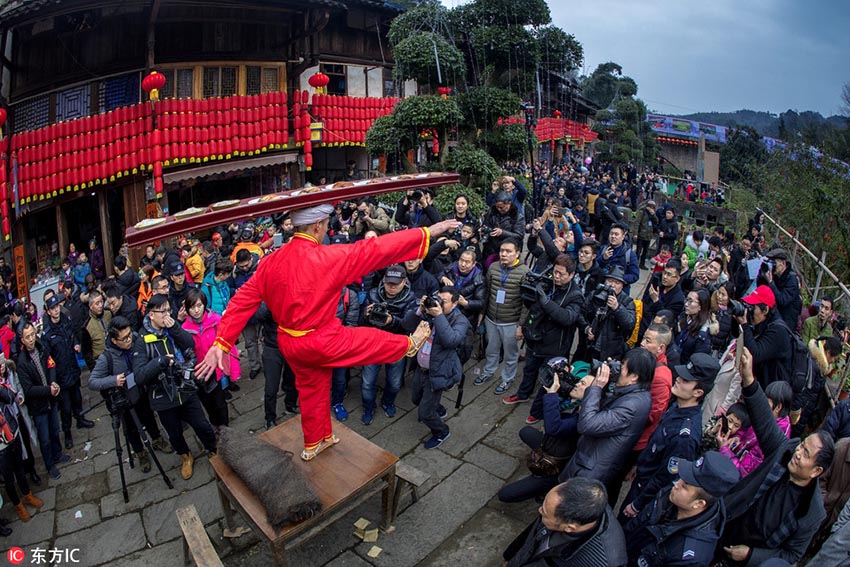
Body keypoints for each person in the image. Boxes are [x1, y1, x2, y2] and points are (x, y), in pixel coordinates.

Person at [196, 205, 456, 459]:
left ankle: (315, 441)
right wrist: (426, 233)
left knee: (312, 390)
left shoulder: (269, 261)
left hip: (288, 342)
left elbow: (242, 300)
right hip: (320, 340)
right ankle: (407, 345)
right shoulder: (326, 258)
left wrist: (221, 341)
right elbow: (375, 249)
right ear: (318, 226)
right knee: (365, 339)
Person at [718, 347, 834, 566]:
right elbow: (764, 422)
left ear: (817, 470)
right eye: (802, 446)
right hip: (726, 523)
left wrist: (751, 555)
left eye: (806, 454)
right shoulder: (784, 451)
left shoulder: (811, 511)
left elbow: (791, 555)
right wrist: (750, 380)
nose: (798, 453)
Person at [621, 353, 719, 520]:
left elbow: (666, 477)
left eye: (686, 381)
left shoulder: (685, 436)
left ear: (698, 392)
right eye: (681, 376)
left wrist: (638, 504)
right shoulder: (677, 406)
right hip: (641, 479)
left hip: (645, 495)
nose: (679, 380)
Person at [132, 294, 216, 480]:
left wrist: (175, 327)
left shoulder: (172, 328)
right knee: (175, 434)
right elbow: (139, 376)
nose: (167, 314)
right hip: (163, 397)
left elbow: (189, 344)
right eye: (163, 311)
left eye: (169, 310)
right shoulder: (142, 339)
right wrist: (160, 362)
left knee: (202, 425)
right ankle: (186, 457)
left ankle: (212, 449)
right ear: (151, 315)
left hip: (184, 388)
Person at [559, 349, 654, 499]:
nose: (617, 368)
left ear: (634, 377)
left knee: (566, 506)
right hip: (589, 458)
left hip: (590, 470)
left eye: (622, 366)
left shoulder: (632, 405)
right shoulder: (635, 393)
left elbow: (588, 424)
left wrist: (596, 386)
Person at [623, 451, 741, 567]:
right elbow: (638, 522)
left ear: (698, 504)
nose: (676, 484)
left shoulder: (691, 558)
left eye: (684, 486)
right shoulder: (675, 494)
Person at [501, 364, 592, 503]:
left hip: (555, 464)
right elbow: (537, 413)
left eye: (582, 384)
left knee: (505, 495)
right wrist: (548, 389)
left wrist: (552, 395)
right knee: (526, 431)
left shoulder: (582, 418)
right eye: (579, 381)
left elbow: (553, 427)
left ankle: (547, 488)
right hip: (550, 443)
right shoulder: (574, 403)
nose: (577, 384)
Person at [504, 254, 583, 404]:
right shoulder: (548, 282)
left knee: (549, 378)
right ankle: (523, 394)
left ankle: (540, 408)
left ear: (572, 274)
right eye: (555, 272)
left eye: (561, 274)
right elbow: (532, 307)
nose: (556, 276)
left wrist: (545, 301)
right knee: (529, 369)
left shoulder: (575, 295)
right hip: (536, 337)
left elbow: (567, 318)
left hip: (555, 344)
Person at [502, 478, 626, 567]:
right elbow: (531, 534)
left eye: (544, 513)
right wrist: (510, 557)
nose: (539, 511)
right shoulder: (579, 503)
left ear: (569, 528)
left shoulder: (605, 561)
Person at [360, 264, 420, 424]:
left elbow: (409, 324)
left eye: (396, 283)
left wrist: (391, 320)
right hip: (373, 344)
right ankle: (369, 407)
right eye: (389, 283)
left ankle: (388, 402)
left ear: (405, 281)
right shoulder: (373, 294)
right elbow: (361, 321)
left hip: (396, 345)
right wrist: (366, 314)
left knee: (394, 383)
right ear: (384, 280)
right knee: (367, 383)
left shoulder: (411, 299)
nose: (392, 287)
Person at [411, 287, 469, 449]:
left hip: (438, 372)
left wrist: (439, 316)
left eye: (443, 302)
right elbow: (406, 325)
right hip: (420, 368)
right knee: (415, 398)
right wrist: (420, 310)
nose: (438, 304)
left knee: (425, 413)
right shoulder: (429, 312)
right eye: (437, 299)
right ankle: (439, 409)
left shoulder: (460, 320)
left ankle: (441, 431)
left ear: (455, 303)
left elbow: (451, 340)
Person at [474, 237, 530, 394]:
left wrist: (520, 326)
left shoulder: (525, 273)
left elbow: (527, 303)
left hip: (511, 322)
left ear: (517, 253)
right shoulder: (493, 267)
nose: (504, 254)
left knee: (511, 353)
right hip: (491, 318)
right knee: (491, 349)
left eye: (508, 251)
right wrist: (482, 314)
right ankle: (488, 371)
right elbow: (487, 292)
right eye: (502, 251)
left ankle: (507, 378)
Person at [16, 323, 69, 480]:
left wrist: (53, 382)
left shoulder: (42, 348)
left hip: (51, 400)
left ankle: (58, 454)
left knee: (54, 430)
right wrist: (48, 390)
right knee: (44, 439)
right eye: (28, 337)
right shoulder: (22, 362)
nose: (32, 339)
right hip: (38, 406)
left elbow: (51, 365)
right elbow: (29, 390)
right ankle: (49, 465)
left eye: (33, 334)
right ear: (22, 340)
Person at [42, 295, 93, 450]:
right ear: (48, 311)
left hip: (72, 368)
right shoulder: (48, 332)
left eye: (57, 306)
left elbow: (74, 337)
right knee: (65, 407)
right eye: (53, 308)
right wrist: (53, 379)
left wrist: (76, 344)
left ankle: (80, 418)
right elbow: (48, 358)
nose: (56, 310)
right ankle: (68, 433)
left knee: (77, 398)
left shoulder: (66, 320)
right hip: (61, 374)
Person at [182, 290, 239, 427]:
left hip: (217, 370)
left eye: (199, 306)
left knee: (220, 402)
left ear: (204, 304)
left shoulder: (216, 320)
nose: (196, 310)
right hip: (199, 372)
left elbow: (229, 345)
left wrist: (233, 370)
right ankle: (216, 427)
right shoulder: (184, 329)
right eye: (192, 307)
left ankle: (225, 428)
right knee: (208, 404)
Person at [0, 360, 44, 524]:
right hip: (1, 442)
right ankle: (18, 505)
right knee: (8, 476)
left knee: (19, 467)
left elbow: (11, 397)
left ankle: (27, 495)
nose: (2, 365)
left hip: (12, 429)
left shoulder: (4, 379)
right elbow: (7, 396)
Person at [737, 285, 793, 388]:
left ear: (765, 310)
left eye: (753, 308)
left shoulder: (778, 331)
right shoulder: (762, 322)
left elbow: (755, 354)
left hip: (772, 390)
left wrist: (745, 325)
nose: (749, 311)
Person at [582, 266, 636, 363]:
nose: (613, 285)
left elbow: (630, 324)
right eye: (610, 281)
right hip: (590, 346)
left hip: (611, 352)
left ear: (622, 286)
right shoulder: (595, 294)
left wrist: (617, 308)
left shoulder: (627, 302)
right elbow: (581, 312)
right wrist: (586, 327)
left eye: (617, 283)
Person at [641, 259, 685, 336]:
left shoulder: (678, 299)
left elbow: (666, 319)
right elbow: (644, 301)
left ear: (677, 279)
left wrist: (656, 301)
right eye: (664, 273)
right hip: (643, 324)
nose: (664, 277)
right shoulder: (657, 283)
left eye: (669, 274)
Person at [762, 248, 802, 333]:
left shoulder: (792, 279)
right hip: (775, 318)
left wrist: (771, 282)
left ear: (783, 263)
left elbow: (782, 300)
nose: (773, 266)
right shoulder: (775, 275)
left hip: (786, 322)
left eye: (774, 263)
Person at [596, 223, 639, 295]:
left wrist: (618, 278)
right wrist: (603, 259)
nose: (613, 236)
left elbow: (635, 275)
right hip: (602, 288)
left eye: (616, 234)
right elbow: (594, 267)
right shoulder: (603, 249)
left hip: (620, 292)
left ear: (623, 236)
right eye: (611, 234)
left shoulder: (630, 254)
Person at [676, 289, 712, 364]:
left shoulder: (703, 334)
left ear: (700, 306)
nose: (686, 304)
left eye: (691, 301)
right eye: (686, 299)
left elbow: (697, 361)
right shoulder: (683, 317)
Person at [632, 199, 657, 270]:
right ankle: (635, 264)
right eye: (650, 207)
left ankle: (642, 264)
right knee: (638, 251)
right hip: (641, 234)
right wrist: (635, 233)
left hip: (648, 235)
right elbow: (637, 223)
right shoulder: (642, 212)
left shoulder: (652, 214)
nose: (651, 208)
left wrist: (653, 215)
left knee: (645, 251)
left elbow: (656, 221)